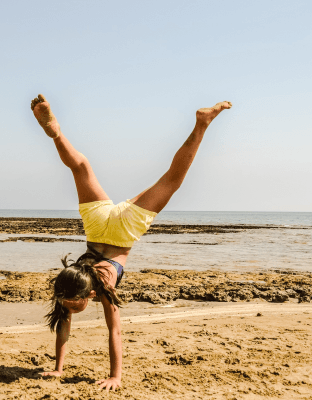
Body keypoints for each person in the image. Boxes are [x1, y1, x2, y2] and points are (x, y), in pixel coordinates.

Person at [30, 94, 232, 392]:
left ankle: (202, 123)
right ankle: (56, 133)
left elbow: (115, 331)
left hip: (123, 231)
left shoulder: (104, 286)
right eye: (71, 306)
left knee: (172, 180)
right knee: (81, 167)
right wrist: (58, 369)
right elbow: (69, 326)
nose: (70, 311)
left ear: (89, 293)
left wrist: (116, 377)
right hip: (97, 224)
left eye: (74, 306)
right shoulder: (69, 282)